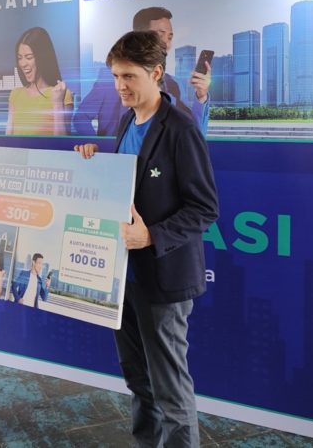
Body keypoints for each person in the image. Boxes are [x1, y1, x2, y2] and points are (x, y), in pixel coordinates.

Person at [74, 31, 219, 447]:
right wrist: (95, 162)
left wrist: (151, 236)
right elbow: (130, 189)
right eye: (115, 76)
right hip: (124, 277)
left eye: (129, 77)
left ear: (156, 73)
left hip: (163, 279)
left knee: (170, 390)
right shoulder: (126, 121)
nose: (120, 86)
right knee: (138, 379)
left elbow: (205, 208)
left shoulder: (181, 129)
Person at [72, 6, 211, 136]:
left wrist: (201, 96)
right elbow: (81, 118)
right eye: (159, 34)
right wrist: (99, 147)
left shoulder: (174, 85)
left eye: (169, 37)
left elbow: (194, 134)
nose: (166, 42)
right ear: (139, 37)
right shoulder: (109, 80)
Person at [7, 26, 73, 136]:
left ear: (42, 58)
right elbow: (8, 141)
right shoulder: (15, 95)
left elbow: (62, 144)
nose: (23, 64)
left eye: (29, 57)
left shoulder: (63, 95)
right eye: (20, 58)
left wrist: (57, 103)